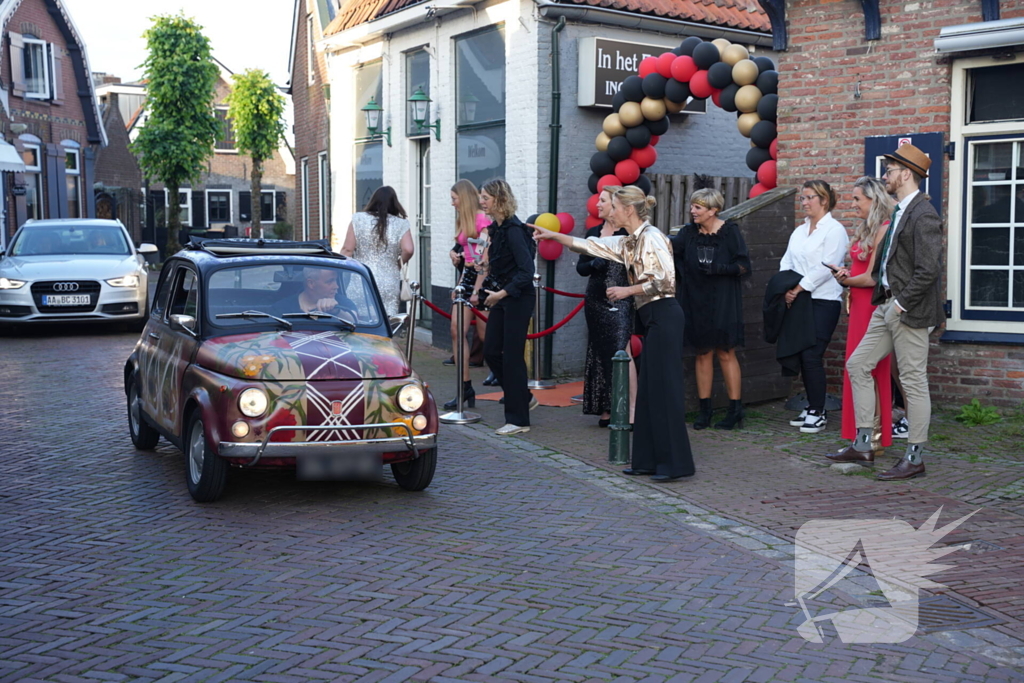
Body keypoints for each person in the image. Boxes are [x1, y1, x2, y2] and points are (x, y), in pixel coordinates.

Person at [535, 185, 695, 482]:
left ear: (628, 210)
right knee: (648, 391)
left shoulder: (653, 237)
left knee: (665, 390)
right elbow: (591, 246)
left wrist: (627, 290)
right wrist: (553, 235)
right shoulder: (628, 241)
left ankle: (676, 465)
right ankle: (646, 460)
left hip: (665, 316)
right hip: (651, 319)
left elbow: (665, 280)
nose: (610, 210)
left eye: (616, 206)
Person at [827, 144, 943, 480]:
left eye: (890, 171)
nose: (886, 176)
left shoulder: (924, 214)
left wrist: (901, 304)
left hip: (908, 309)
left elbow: (929, 269)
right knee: (857, 364)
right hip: (887, 304)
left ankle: (915, 457)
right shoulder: (901, 212)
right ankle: (864, 443)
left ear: (906, 174)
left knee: (912, 381)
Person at [670, 188, 751, 430]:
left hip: (724, 299)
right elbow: (670, 252)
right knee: (702, 352)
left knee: (726, 352)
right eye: (692, 206)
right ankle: (704, 410)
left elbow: (744, 265)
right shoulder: (688, 233)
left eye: (698, 207)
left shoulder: (730, 232)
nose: (692, 211)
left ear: (713, 210)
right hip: (696, 299)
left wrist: (720, 269)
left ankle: (735, 409)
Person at [830, 177, 895, 452]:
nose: (853, 203)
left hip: (872, 306)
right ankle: (861, 434)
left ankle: (875, 437)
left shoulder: (884, 228)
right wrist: (845, 274)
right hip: (857, 304)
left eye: (857, 199)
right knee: (857, 368)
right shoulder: (867, 228)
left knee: (870, 368)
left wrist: (845, 280)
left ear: (874, 199)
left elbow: (872, 278)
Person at [779, 180, 849, 434]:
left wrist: (798, 288)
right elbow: (787, 260)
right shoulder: (799, 231)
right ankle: (811, 407)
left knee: (812, 355)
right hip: (800, 300)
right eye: (803, 198)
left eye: (809, 198)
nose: (805, 202)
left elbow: (826, 266)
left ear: (824, 200)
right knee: (801, 354)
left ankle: (818, 411)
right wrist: (785, 286)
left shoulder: (835, 230)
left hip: (824, 300)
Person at [479, 179, 537, 435]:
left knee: (513, 357)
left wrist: (501, 294)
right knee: (491, 351)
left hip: (517, 298)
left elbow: (527, 271)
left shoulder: (514, 230)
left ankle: (518, 420)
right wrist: (485, 269)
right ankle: (522, 396)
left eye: (486, 198)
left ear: (499, 200)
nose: (481, 202)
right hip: (502, 297)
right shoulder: (497, 230)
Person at [578, 187, 634, 427]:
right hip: (595, 299)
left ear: (615, 204)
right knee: (600, 352)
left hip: (620, 297)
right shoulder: (593, 232)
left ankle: (630, 409)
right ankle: (607, 408)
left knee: (623, 351)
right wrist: (595, 263)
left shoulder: (627, 233)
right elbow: (581, 268)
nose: (597, 205)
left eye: (602, 201)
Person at [444, 180, 493, 410]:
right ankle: (464, 387)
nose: (452, 203)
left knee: (486, 337)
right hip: (468, 279)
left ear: (463, 197)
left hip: (482, 280)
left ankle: (511, 382)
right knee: (456, 330)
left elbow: (484, 259)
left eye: (454, 198)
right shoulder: (463, 221)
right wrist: (461, 282)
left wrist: (476, 290)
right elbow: (468, 256)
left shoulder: (482, 220)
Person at [341, 186, 414, 317]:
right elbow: (408, 249)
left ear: (373, 201)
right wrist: (396, 263)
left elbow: (348, 249)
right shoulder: (401, 224)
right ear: (394, 203)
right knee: (387, 320)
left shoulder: (358, 219)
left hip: (361, 277)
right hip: (389, 279)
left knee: (358, 318)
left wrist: (338, 272)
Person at [275, 267, 356, 322]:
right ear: (311, 283)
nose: (336, 286)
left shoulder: (341, 302)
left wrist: (337, 311)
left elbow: (355, 321)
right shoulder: (281, 308)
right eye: (330, 281)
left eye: (336, 280)